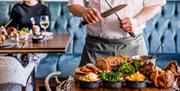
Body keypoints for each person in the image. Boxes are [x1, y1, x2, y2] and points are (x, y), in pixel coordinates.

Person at [68, 0, 166, 66]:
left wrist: (136, 21)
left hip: (133, 47)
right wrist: (84, 11)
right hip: (95, 48)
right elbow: (73, 4)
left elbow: (155, 3)